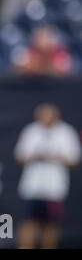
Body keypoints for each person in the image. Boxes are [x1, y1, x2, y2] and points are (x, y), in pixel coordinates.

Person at [15, 103, 81, 249]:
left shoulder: (66, 132)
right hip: (32, 186)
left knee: (52, 223)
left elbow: (74, 160)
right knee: (28, 220)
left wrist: (56, 157)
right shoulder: (31, 131)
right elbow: (19, 156)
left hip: (54, 188)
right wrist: (35, 156)